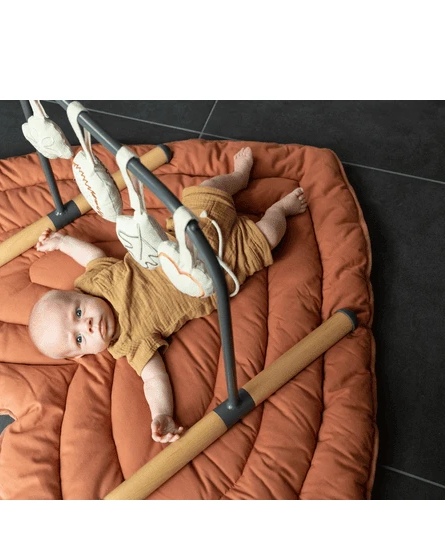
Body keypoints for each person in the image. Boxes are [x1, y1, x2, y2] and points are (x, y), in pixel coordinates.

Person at [28, 148, 308, 444]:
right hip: (220, 270)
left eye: (78, 313)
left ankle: (238, 177)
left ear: (78, 293)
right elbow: (154, 378)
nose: (86, 326)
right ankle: (280, 210)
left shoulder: (96, 282)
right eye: (79, 339)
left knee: (208, 189)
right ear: (83, 355)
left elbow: (92, 255)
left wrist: (62, 242)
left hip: (189, 235)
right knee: (269, 235)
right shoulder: (129, 344)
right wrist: (161, 413)